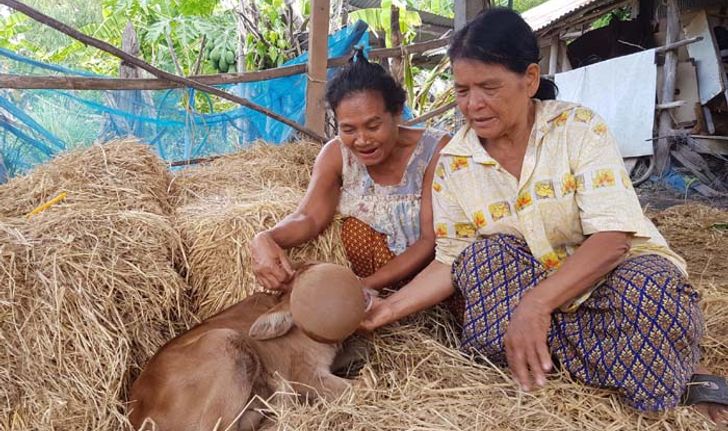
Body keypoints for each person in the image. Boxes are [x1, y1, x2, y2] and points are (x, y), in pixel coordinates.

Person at [361, 8, 728, 423]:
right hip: (530, 290)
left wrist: (535, 307)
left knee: (650, 291)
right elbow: (450, 258)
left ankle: (568, 359)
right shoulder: (455, 161)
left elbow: (613, 238)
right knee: (483, 260)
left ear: (530, 79)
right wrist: (385, 311)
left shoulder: (577, 128)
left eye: (489, 87)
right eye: (462, 91)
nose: (474, 104)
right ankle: (640, 363)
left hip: (612, 284)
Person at [250, 50, 451, 300]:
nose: (362, 140)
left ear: (397, 111)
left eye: (373, 126)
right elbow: (308, 217)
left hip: (427, 286)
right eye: (348, 129)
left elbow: (428, 239)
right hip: (367, 288)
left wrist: (364, 286)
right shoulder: (336, 154)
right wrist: (266, 238)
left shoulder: (436, 151)